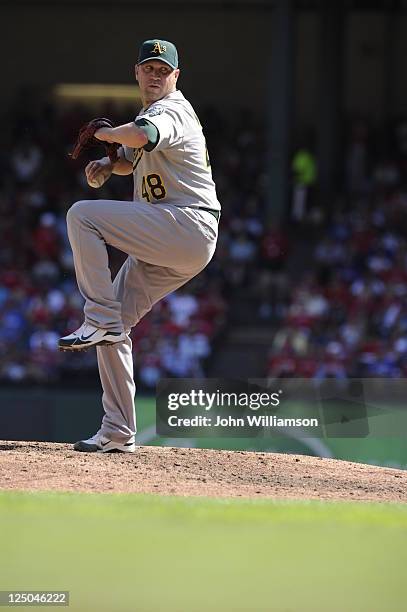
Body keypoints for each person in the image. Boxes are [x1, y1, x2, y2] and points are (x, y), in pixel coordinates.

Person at [59, 39, 220, 452]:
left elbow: (145, 135)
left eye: (163, 70)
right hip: (173, 237)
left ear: (175, 77)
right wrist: (111, 164)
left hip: (185, 224)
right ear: (136, 71)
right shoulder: (153, 113)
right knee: (116, 327)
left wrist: (107, 134)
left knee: (83, 215)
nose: (155, 75)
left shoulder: (171, 110)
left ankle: (98, 318)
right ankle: (117, 432)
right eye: (149, 68)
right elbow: (141, 154)